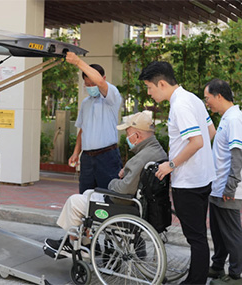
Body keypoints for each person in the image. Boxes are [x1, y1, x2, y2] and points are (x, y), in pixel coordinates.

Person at [44, 111, 167, 257]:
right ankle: (83, 243)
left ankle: (74, 244)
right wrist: (127, 173)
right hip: (139, 205)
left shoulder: (142, 157)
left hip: (123, 205)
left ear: (137, 135)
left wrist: (113, 182)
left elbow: (123, 190)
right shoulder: (158, 152)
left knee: (74, 201)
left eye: (128, 133)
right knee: (86, 194)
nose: (127, 138)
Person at [139, 61, 216, 284]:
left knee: (196, 238)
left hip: (189, 182)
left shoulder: (180, 105)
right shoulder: (192, 98)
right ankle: (195, 279)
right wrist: (195, 158)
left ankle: (195, 281)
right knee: (198, 236)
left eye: (150, 87)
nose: (149, 92)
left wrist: (171, 165)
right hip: (201, 177)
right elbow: (209, 131)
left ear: (162, 83)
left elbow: (197, 141)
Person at [204, 79, 242, 285]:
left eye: (208, 98)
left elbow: (237, 155)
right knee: (219, 232)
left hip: (227, 188)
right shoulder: (226, 118)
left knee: (231, 233)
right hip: (218, 186)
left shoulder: (235, 119)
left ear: (219, 96)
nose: (207, 103)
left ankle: (235, 275)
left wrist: (231, 185)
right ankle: (217, 266)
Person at [66, 52, 123, 194]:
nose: (91, 86)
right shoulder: (85, 103)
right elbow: (82, 130)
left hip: (107, 156)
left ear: (102, 78)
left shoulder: (112, 97)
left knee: (108, 195)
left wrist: (78, 62)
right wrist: (76, 153)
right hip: (87, 158)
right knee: (85, 195)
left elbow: (101, 84)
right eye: (87, 84)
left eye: (93, 83)